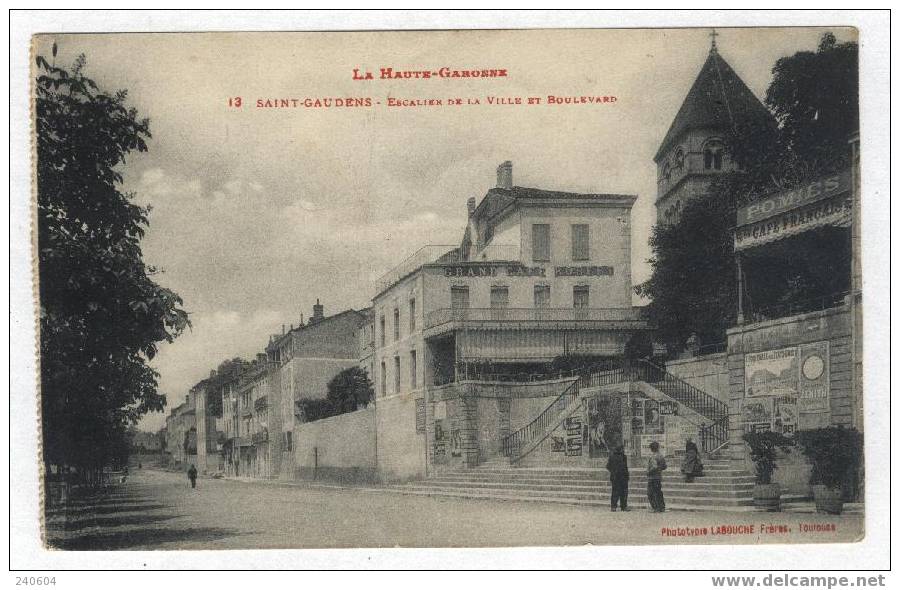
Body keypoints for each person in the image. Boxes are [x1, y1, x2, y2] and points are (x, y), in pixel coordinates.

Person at [606, 445, 631, 512]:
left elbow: (608, 466)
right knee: (623, 492)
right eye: (622, 449)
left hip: (616, 477)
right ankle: (623, 506)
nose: (623, 450)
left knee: (615, 492)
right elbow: (625, 467)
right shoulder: (623, 457)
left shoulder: (612, 457)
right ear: (620, 450)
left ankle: (614, 507)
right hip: (622, 477)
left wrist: (613, 471)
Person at [647, 441, 667, 512]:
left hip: (652, 477)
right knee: (658, 492)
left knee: (651, 493)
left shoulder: (653, 456)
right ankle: (662, 507)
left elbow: (654, 467)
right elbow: (665, 466)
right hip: (658, 476)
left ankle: (656, 507)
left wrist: (648, 472)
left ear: (651, 448)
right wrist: (660, 468)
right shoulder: (661, 456)